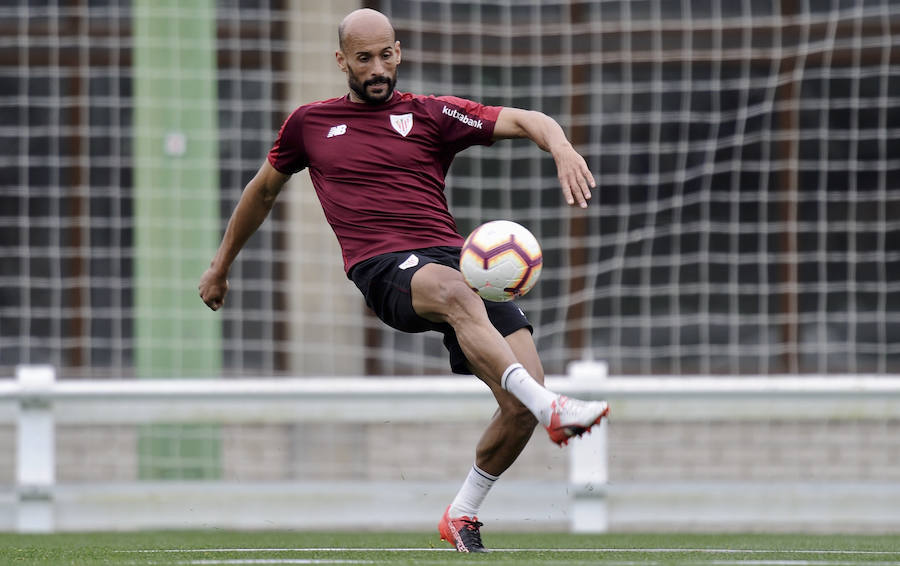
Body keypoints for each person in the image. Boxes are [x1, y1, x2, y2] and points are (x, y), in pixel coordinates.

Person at [198, 8, 609, 553]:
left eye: (385, 55)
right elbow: (262, 191)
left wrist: (559, 145)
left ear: (399, 52)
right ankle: (552, 405)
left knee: (516, 408)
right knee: (467, 304)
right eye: (363, 58)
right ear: (341, 61)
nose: (376, 68)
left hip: (454, 263)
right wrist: (220, 265)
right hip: (383, 267)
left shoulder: (433, 114)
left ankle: (462, 514)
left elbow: (527, 118)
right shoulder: (309, 124)